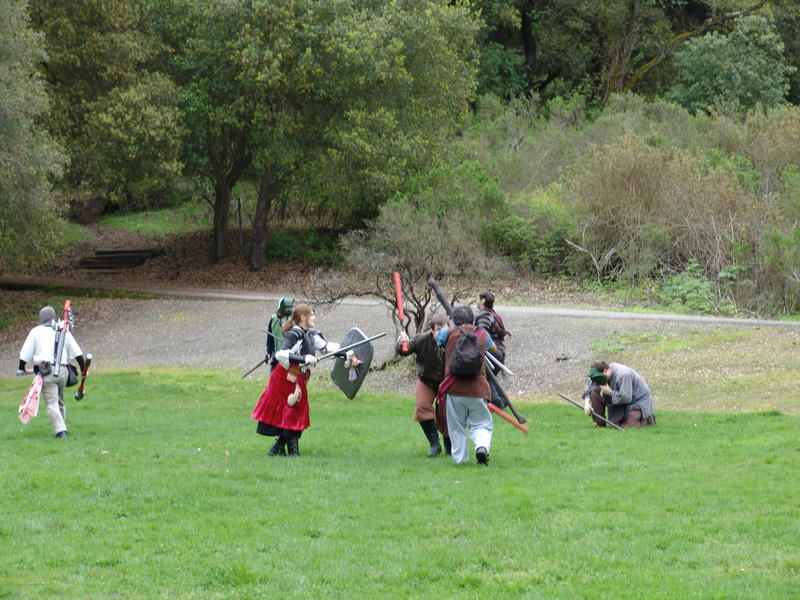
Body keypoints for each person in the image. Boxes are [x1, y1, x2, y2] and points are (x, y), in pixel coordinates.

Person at [252, 303, 354, 457]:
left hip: (296, 376)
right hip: (284, 377)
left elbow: (326, 347)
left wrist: (347, 354)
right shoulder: (294, 334)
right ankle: (293, 453)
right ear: (303, 317)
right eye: (312, 315)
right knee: (293, 411)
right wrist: (304, 358)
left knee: (294, 411)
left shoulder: (310, 334)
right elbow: (281, 354)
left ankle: (277, 449)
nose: (314, 318)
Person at [436, 305, 497, 465]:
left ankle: (460, 460)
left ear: (454, 320)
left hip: (454, 388)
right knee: (482, 423)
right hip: (478, 388)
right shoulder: (482, 334)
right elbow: (493, 348)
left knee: (457, 427)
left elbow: (437, 339)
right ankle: (481, 447)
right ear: (472, 318)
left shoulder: (447, 333)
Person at [17, 306, 86, 438]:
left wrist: (21, 368)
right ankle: (63, 427)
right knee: (59, 401)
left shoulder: (36, 332)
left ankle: (61, 432)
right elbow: (77, 352)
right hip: (64, 372)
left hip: (47, 372)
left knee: (52, 403)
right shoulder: (63, 330)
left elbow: (25, 353)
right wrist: (83, 369)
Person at [396, 314, 449, 457]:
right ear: (432, 331)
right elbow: (404, 351)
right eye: (439, 330)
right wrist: (403, 342)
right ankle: (434, 445)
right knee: (422, 407)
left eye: (445, 329)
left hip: (447, 383)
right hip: (426, 380)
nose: (442, 333)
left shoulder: (454, 340)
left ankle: (449, 446)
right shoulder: (422, 339)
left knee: (448, 414)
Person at [582, 359, 656, 428]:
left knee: (628, 427)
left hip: (637, 401)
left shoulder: (623, 374)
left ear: (605, 371)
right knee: (595, 391)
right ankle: (600, 424)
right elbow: (591, 386)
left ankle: (646, 419)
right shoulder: (599, 375)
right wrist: (587, 402)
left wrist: (610, 392)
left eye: (599, 378)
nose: (598, 381)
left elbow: (626, 398)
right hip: (618, 399)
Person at [474, 291, 510, 409]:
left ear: (483, 301)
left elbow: (481, 334)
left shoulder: (484, 316)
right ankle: (503, 401)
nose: (476, 301)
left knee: (485, 379)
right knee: (490, 380)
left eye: (478, 299)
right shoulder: (493, 314)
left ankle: (498, 404)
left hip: (492, 353)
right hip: (498, 351)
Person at [266, 297, 294, 371]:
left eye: (291, 307)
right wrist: (269, 352)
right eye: (287, 307)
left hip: (290, 355)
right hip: (277, 353)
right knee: (274, 375)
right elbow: (270, 338)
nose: (290, 309)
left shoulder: (294, 319)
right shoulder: (274, 319)